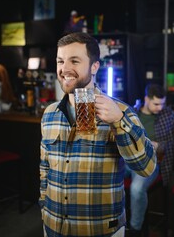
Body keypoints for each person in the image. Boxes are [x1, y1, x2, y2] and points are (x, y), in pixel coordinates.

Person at [39, 32, 157, 237]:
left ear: (94, 66)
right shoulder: (50, 113)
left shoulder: (122, 111)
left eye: (74, 61)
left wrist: (119, 122)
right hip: (53, 226)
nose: (64, 69)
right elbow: (44, 167)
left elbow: (146, 168)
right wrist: (44, 205)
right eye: (60, 61)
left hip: (99, 229)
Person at [125, 83, 174, 236]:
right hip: (129, 159)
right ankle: (111, 224)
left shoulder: (167, 114)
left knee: (136, 189)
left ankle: (135, 230)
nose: (160, 107)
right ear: (146, 99)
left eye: (162, 103)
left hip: (152, 161)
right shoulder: (132, 112)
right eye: (156, 103)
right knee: (103, 174)